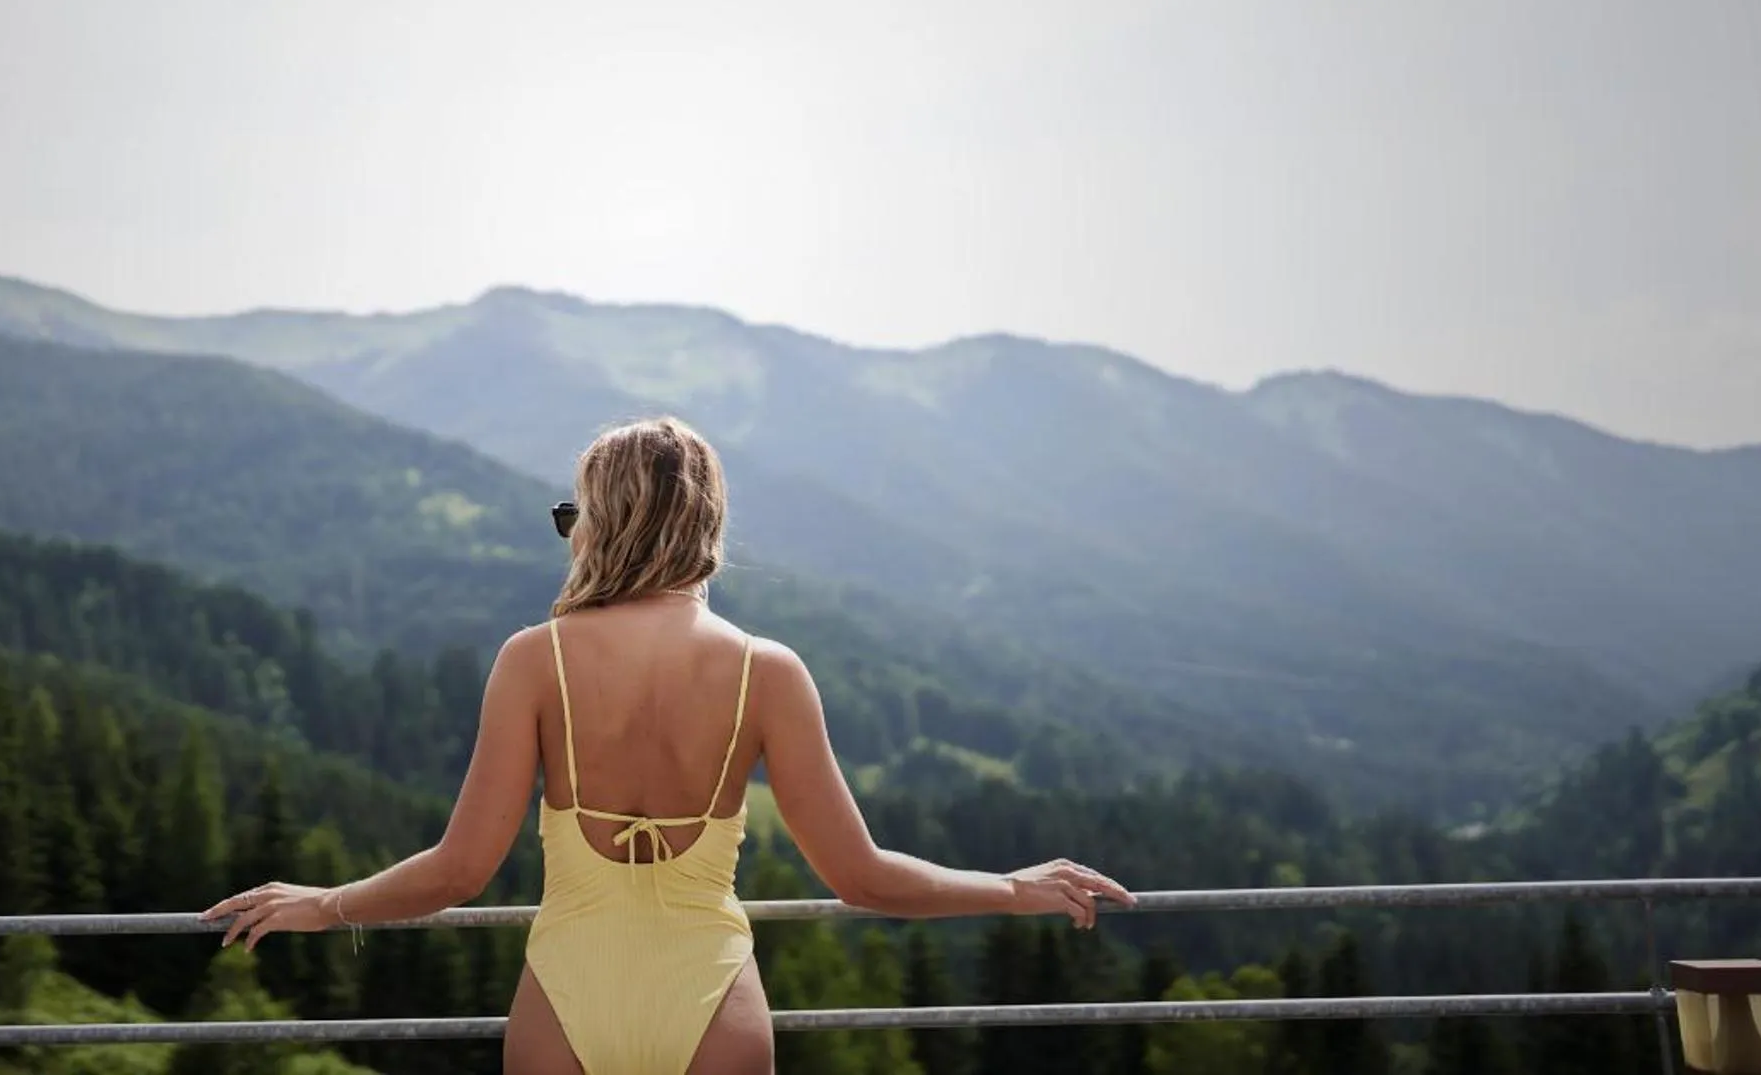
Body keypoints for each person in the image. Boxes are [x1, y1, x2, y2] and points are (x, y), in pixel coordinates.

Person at [203, 415, 1132, 1074]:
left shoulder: (537, 659)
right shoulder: (769, 671)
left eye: (575, 519)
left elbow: (457, 872)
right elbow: (864, 876)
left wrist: (324, 904)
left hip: (565, 999)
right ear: (705, 527)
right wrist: (1017, 888)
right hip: (711, 998)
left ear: (606, 525)